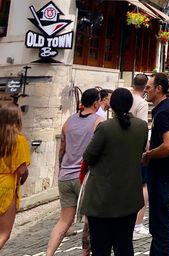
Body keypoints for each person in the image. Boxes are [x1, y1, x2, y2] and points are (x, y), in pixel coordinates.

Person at [81, 88, 148, 256]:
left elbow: (88, 157)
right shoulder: (141, 127)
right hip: (129, 198)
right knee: (124, 245)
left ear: (111, 105)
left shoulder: (105, 128)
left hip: (103, 198)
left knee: (101, 248)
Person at [47, 89, 103, 256]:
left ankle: (49, 253)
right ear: (95, 103)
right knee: (90, 218)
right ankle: (85, 252)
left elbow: (62, 150)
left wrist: (61, 170)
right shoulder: (98, 122)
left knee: (64, 220)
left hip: (65, 175)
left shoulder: (68, 121)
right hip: (84, 176)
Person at [143, 73, 169, 256]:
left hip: (163, 175)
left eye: (149, 87)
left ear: (159, 89)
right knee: (159, 223)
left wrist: (149, 154)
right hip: (166, 174)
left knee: (160, 224)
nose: (145, 90)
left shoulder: (163, 112)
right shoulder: (166, 109)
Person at [0, 103, 30, 250]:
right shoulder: (19, 140)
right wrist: (24, 178)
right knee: (3, 233)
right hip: (7, 187)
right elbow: (21, 170)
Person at [130, 73, 151, 237]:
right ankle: (137, 224)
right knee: (143, 186)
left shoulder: (124, 98)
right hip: (136, 149)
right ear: (145, 87)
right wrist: (146, 150)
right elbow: (142, 128)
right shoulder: (142, 103)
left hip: (120, 146)